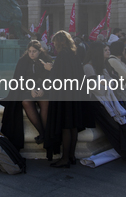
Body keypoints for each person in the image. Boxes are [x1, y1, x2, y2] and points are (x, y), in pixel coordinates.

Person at [82, 42, 126, 165]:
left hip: (108, 101)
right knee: (115, 127)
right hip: (98, 104)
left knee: (124, 122)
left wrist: (105, 82)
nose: (108, 52)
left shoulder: (101, 66)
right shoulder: (88, 67)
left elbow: (111, 83)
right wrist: (107, 83)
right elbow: (98, 89)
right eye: (105, 50)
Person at [44, 31, 87, 167]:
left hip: (64, 95)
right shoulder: (73, 54)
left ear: (58, 42)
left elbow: (58, 76)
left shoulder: (62, 55)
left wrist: (50, 68)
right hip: (74, 95)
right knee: (72, 126)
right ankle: (71, 156)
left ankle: (65, 158)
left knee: (65, 127)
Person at [0, 40, 52, 149]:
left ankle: (46, 134)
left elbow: (49, 79)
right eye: (30, 51)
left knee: (45, 103)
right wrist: (31, 89)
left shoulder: (46, 61)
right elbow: (19, 79)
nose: (32, 54)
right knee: (26, 102)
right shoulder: (23, 61)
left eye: (34, 51)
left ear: (39, 51)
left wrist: (43, 89)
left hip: (43, 89)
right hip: (27, 89)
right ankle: (43, 133)